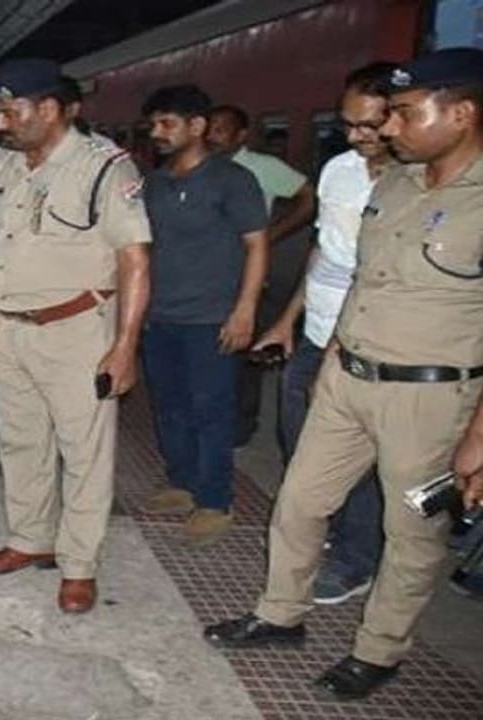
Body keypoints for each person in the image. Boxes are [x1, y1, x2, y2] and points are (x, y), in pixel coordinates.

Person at [205, 48, 483, 701]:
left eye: (407, 115)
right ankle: (280, 616)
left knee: (413, 528)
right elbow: (360, 279)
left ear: (463, 114)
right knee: (299, 503)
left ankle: (380, 651)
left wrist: (477, 440)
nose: (388, 129)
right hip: (345, 379)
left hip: (432, 403)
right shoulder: (393, 185)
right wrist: (327, 361)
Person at [0, 59, 151, 614]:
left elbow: (135, 261)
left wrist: (125, 345)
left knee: (84, 452)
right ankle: (29, 539)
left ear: (47, 109)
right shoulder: (4, 164)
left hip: (77, 331)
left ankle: (79, 566)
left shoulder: (103, 168)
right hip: (10, 329)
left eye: (8, 113)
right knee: (20, 443)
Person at [252, 62, 400, 606]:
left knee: (356, 455)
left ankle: (357, 558)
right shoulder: (339, 170)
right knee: (298, 441)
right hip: (316, 331)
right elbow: (324, 253)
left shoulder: (416, 181)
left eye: (369, 124)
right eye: (348, 124)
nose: (357, 137)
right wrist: (287, 320)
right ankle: (325, 530)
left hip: (370, 340)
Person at [139, 85, 269, 546]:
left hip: (212, 316)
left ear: (196, 126)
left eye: (167, 124)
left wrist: (245, 309)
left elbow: (256, 244)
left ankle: (215, 500)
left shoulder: (232, 180)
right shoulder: (154, 181)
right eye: (153, 124)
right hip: (160, 315)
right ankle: (183, 483)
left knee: (210, 410)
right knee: (169, 406)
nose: (156, 132)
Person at [207, 104, 316, 446]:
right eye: (209, 128)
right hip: (207, 275)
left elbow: (307, 198)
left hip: (245, 272)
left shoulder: (262, 168)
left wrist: (273, 234)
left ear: (241, 135)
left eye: (221, 129)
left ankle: (241, 427)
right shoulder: (201, 166)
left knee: (242, 354)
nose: (212, 135)